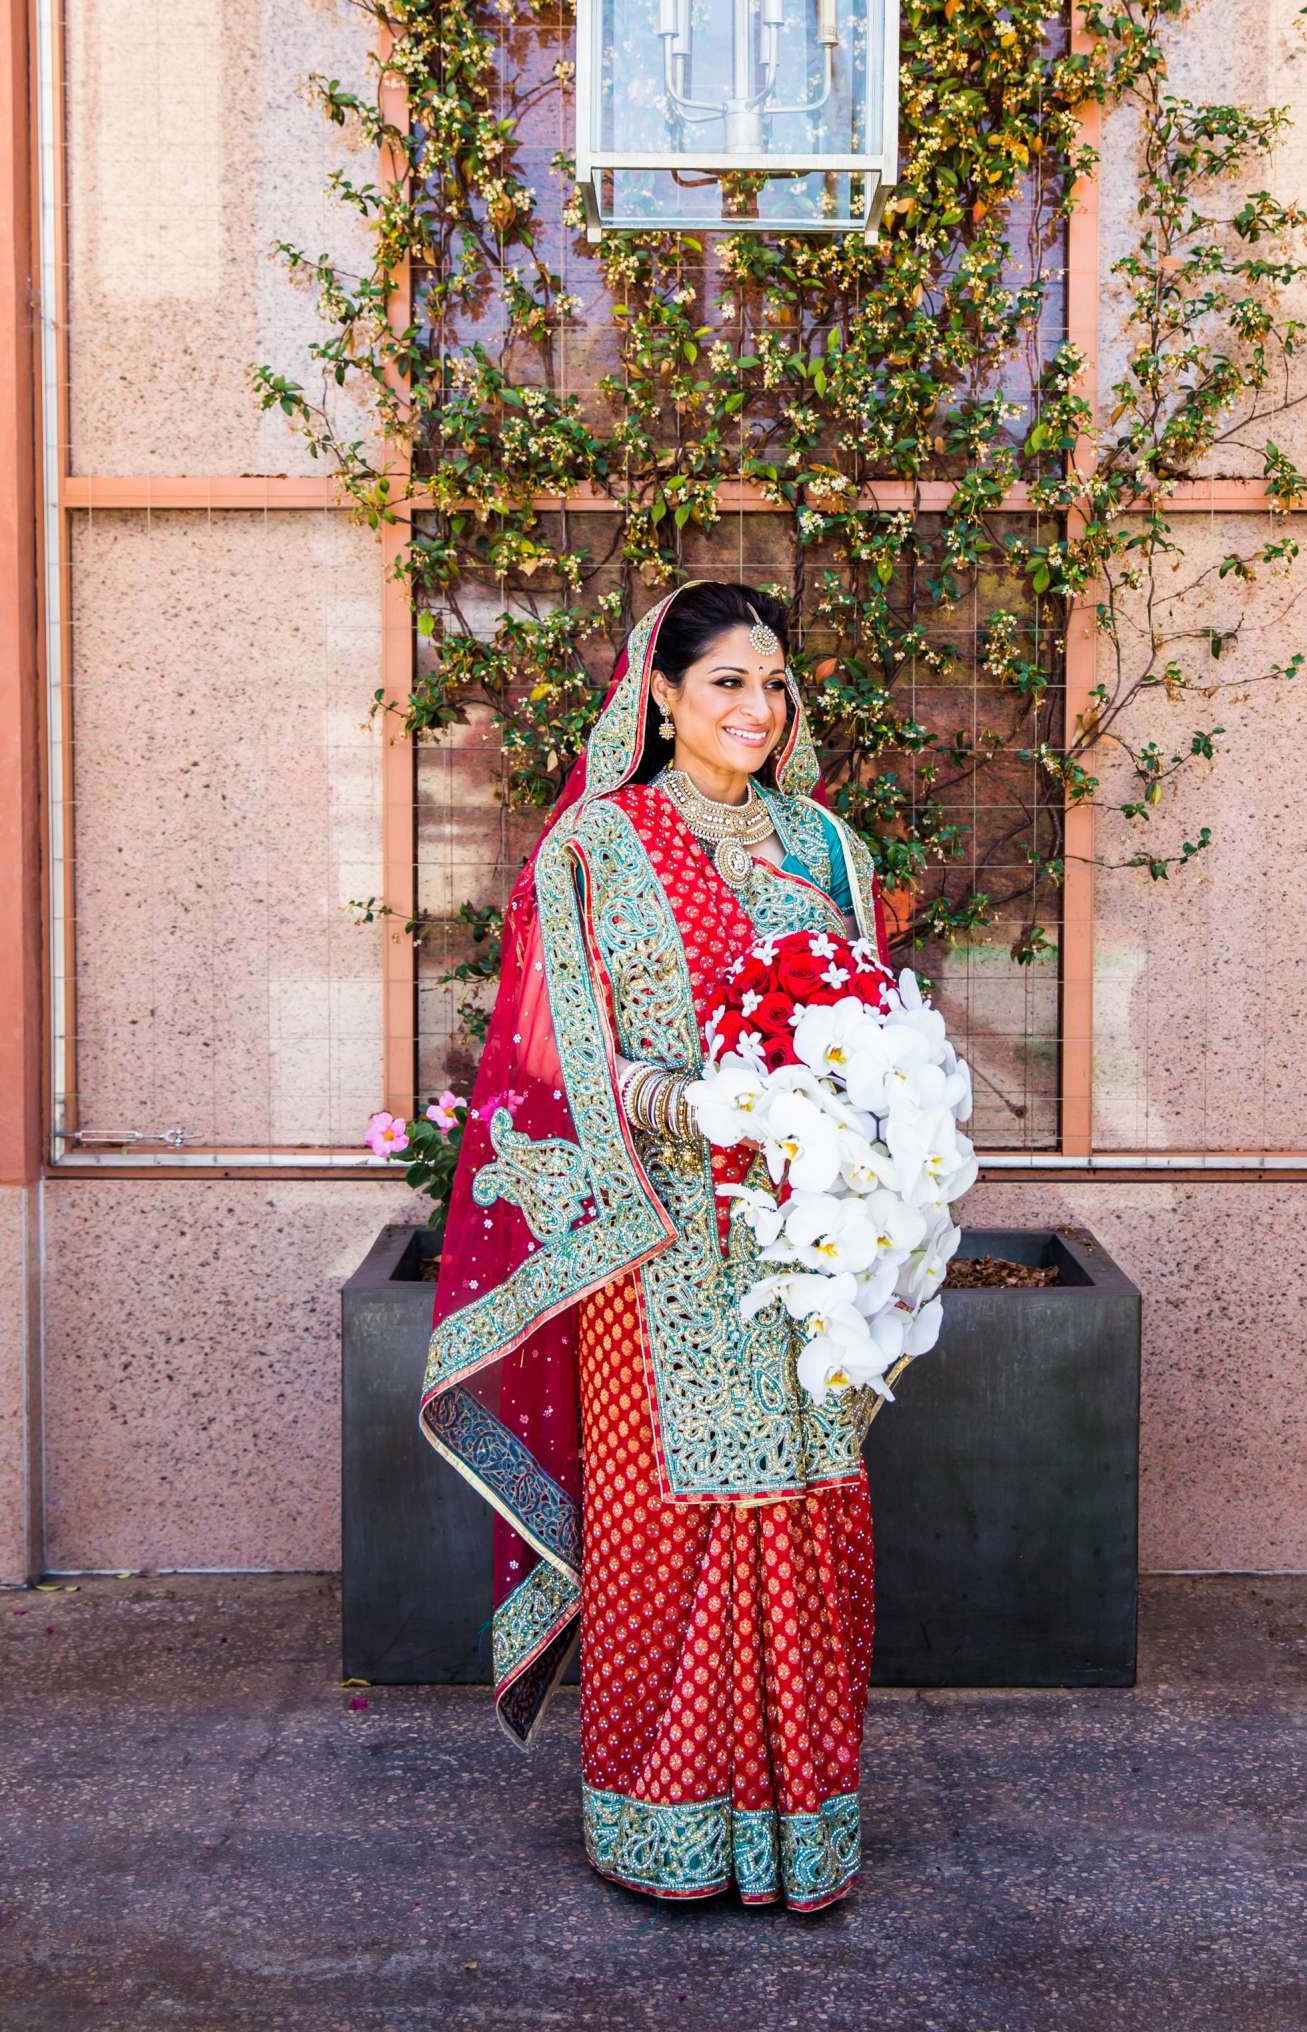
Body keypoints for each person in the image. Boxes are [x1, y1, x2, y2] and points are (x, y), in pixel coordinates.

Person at [419, 579, 894, 1910]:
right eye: (728, 682)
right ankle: (663, 1822)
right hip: (660, 1239)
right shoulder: (595, 851)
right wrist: (697, 1105)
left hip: (806, 1247)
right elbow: (550, 1067)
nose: (758, 707)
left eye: (774, 683)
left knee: (807, 1513)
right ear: (662, 696)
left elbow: (876, 1027)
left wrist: (864, 1122)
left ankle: (806, 1828)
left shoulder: (828, 848)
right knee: (675, 1521)